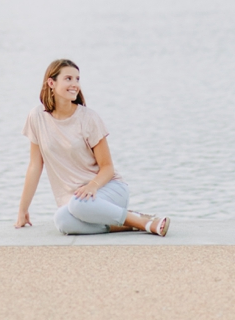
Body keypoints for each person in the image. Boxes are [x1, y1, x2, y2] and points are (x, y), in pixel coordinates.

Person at [15, 58, 170, 236]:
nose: (75, 84)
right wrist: (22, 210)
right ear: (51, 82)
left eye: (77, 79)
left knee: (77, 204)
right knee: (62, 221)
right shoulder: (37, 117)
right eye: (68, 79)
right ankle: (124, 224)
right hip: (78, 202)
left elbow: (108, 167)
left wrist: (92, 186)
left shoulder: (88, 118)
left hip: (107, 190)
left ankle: (144, 222)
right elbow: (35, 166)